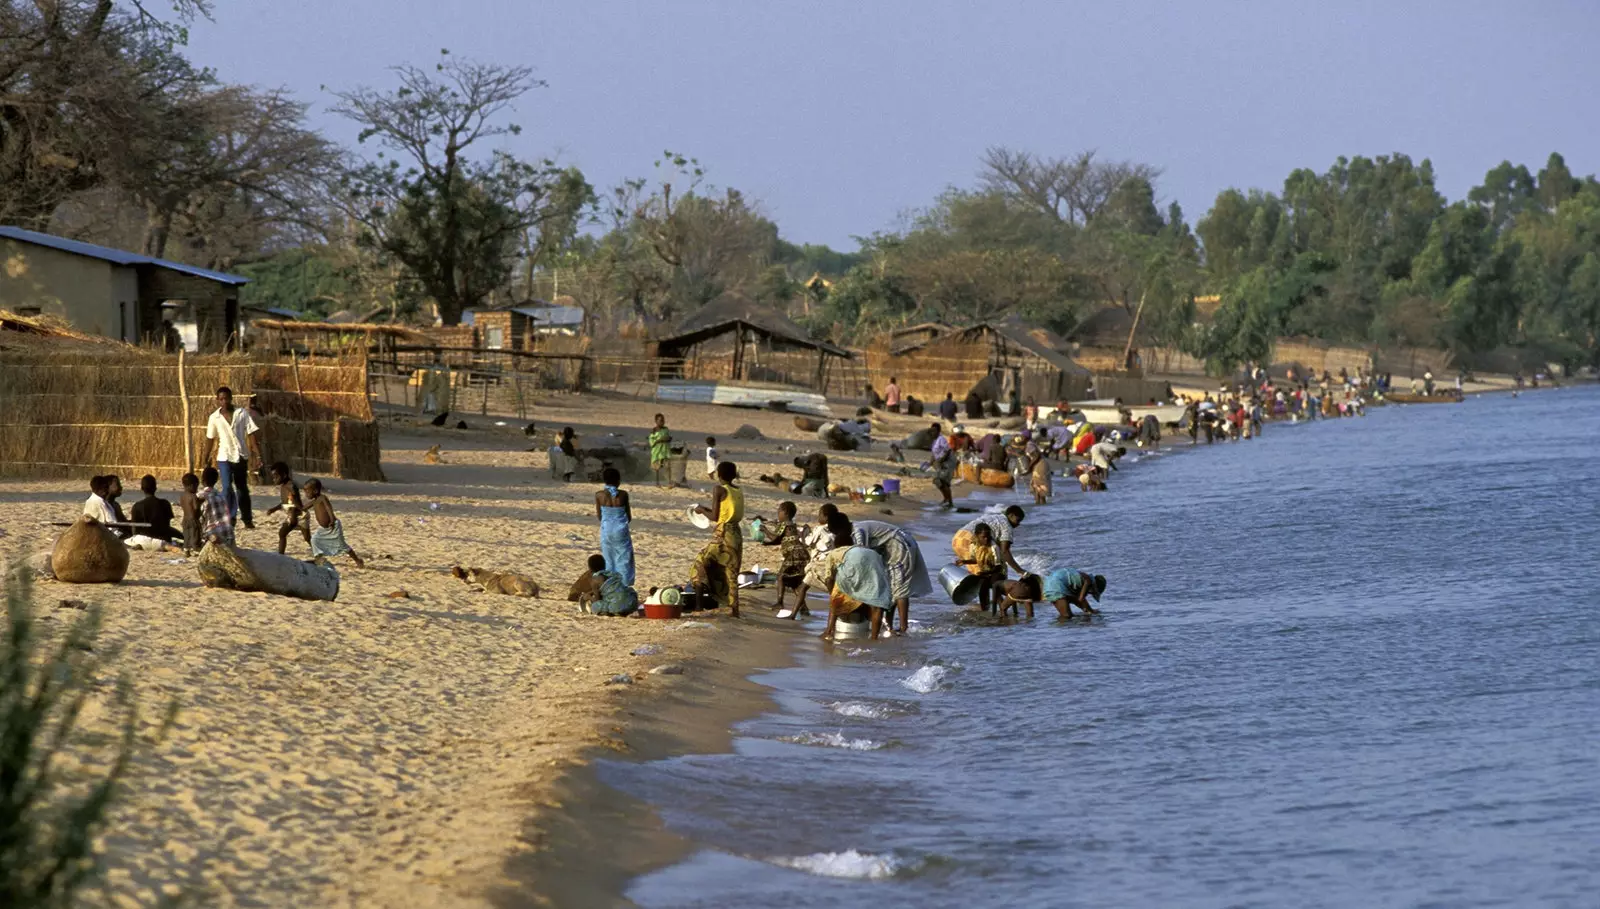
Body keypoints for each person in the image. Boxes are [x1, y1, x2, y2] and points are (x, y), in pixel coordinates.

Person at [817, 514, 894, 641]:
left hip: (855, 560)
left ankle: (829, 631)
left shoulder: (834, 553)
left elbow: (829, 578)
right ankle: (874, 638)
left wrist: (833, 594)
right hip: (875, 558)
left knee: (836, 598)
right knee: (876, 603)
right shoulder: (860, 547)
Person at [851, 518, 932, 636]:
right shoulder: (857, 528)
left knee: (899, 587)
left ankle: (904, 628)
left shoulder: (858, 532)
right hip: (893, 546)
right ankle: (889, 625)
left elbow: (863, 555)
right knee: (890, 587)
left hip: (900, 545)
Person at [202, 386, 262, 529]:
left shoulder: (241, 413)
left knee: (242, 488)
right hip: (224, 456)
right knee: (227, 487)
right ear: (218, 400)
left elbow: (251, 434)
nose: (224, 401)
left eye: (227, 398)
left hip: (241, 455)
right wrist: (206, 457)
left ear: (231, 398)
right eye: (221, 399)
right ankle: (230, 516)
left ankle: (247, 519)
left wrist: (258, 454)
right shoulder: (214, 418)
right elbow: (210, 438)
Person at [692, 461, 744, 617]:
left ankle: (699, 607)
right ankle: (734, 609)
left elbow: (715, 517)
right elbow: (723, 512)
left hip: (723, 534)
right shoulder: (737, 490)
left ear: (719, 475)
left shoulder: (718, 489)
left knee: (700, 564)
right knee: (731, 572)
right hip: (736, 534)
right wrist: (706, 510)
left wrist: (701, 510)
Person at [759, 501, 811, 615]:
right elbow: (779, 540)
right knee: (795, 582)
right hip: (802, 554)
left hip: (794, 554)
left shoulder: (784, 524)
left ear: (785, 513)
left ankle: (779, 602)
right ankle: (803, 607)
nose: (778, 514)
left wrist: (765, 530)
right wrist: (767, 544)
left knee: (781, 577)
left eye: (779, 511)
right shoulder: (792, 525)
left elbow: (775, 538)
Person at [303, 478, 364, 567]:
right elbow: (303, 508)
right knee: (314, 540)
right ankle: (319, 558)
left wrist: (332, 520)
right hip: (323, 529)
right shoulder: (314, 501)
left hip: (333, 526)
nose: (306, 494)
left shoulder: (322, 498)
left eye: (308, 492)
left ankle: (357, 560)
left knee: (342, 545)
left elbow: (328, 508)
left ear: (315, 491)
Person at [1001, 569, 1106, 619]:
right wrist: (1089, 612)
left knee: (1071, 614)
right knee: (1066, 616)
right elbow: (1081, 599)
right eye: (1092, 592)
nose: (1090, 593)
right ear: (1094, 586)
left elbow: (1078, 599)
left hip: (1053, 584)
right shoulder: (1087, 581)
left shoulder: (1081, 580)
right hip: (1056, 587)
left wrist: (1089, 611)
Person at [951, 507, 1026, 576]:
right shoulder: (1007, 526)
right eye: (1018, 520)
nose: (1018, 524)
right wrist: (1020, 571)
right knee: (981, 573)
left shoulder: (995, 517)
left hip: (958, 538)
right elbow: (1005, 551)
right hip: (970, 540)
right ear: (1011, 515)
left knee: (975, 571)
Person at [595, 467, 634, 586]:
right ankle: (624, 585)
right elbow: (629, 516)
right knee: (624, 558)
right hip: (620, 529)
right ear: (618, 480)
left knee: (608, 558)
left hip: (606, 529)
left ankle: (610, 585)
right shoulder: (623, 495)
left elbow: (599, 516)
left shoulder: (599, 495)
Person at [959, 522, 1007, 614]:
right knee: (982, 587)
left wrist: (985, 573)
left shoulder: (994, 547)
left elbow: (998, 566)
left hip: (998, 571)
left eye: (988, 537)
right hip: (985, 571)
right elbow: (977, 560)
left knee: (995, 585)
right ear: (977, 536)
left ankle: (1003, 610)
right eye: (983, 537)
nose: (986, 539)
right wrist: (964, 561)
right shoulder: (973, 545)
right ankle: (985, 610)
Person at [264, 462, 311, 555]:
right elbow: (285, 502)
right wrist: (274, 509)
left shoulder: (290, 486)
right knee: (304, 537)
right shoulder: (284, 486)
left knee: (284, 534)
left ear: (284, 475)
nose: (274, 479)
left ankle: (280, 555)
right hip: (293, 514)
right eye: (273, 477)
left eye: (276, 477)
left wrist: (293, 515)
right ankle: (281, 555)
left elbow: (295, 503)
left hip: (298, 515)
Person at [129, 475, 178, 543]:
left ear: (142, 488)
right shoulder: (165, 503)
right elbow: (167, 526)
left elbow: (134, 529)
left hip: (146, 541)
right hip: (163, 539)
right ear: (155, 488)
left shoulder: (137, 506)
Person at [198, 466, 233, 546]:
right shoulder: (221, 496)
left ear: (202, 480)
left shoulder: (201, 496)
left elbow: (200, 519)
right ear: (216, 481)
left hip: (211, 536)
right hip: (227, 535)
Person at [179, 473, 202, 554]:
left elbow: (182, 505)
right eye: (196, 486)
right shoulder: (193, 496)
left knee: (186, 535)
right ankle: (195, 548)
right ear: (191, 486)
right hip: (193, 520)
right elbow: (196, 507)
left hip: (185, 519)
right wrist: (200, 502)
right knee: (195, 535)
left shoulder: (182, 496)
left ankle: (186, 548)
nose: (197, 489)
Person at [648, 414, 673, 487]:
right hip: (657, 451)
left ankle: (669, 482)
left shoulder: (666, 429)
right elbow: (652, 442)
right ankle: (657, 483)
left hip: (665, 450)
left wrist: (668, 439)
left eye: (663, 420)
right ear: (656, 421)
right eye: (660, 420)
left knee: (667, 466)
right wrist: (660, 440)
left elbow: (668, 437)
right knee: (657, 468)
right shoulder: (654, 431)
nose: (662, 422)